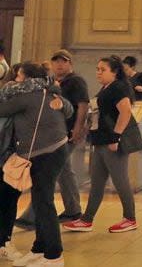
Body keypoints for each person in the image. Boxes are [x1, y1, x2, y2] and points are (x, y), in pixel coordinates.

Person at [0, 62, 72, 267]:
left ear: (29, 78)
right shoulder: (47, 91)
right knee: (41, 201)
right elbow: (68, 109)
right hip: (51, 151)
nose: (16, 80)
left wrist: (7, 89)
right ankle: (39, 249)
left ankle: (54, 255)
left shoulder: (28, 96)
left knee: (44, 203)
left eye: (19, 76)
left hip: (47, 153)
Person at [63, 56, 139, 234]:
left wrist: (116, 137)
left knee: (121, 181)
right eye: (97, 69)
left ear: (115, 72)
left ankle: (130, 218)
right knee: (97, 182)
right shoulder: (107, 88)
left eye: (102, 69)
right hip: (100, 140)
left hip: (112, 142)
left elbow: (125, 112)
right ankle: (87, 219)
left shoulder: (118, 88)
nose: (98, 72)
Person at [15, 50, 89, 230]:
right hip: (55, 134)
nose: (59, 65)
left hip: (66, 133)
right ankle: (73, 209)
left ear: (70, 63)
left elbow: (83, 105)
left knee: (48, 174)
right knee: (63, 171)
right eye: (55, 61)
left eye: (63, 62)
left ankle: (32, 216)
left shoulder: (76, 81)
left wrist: (78, 128)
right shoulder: (54, 82)